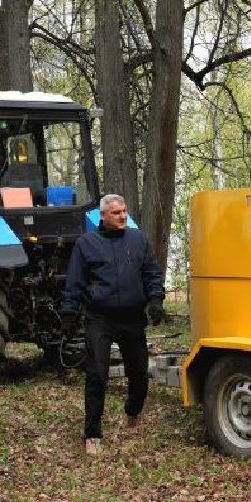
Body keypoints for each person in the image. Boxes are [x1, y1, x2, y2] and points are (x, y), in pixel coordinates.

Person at [61, 194, 165, 455]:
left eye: (125, 211)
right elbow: (74, 282)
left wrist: (155, 300)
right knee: (97, 375)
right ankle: (92, 433)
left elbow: (151, 273)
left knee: (140, 375)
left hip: (131, 318)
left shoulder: (138, 240)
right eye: (117, 212)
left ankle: (132, 410)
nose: (123, 216)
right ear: (103, 216)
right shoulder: (87, 244)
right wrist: (69, 315)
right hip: (100, 319)